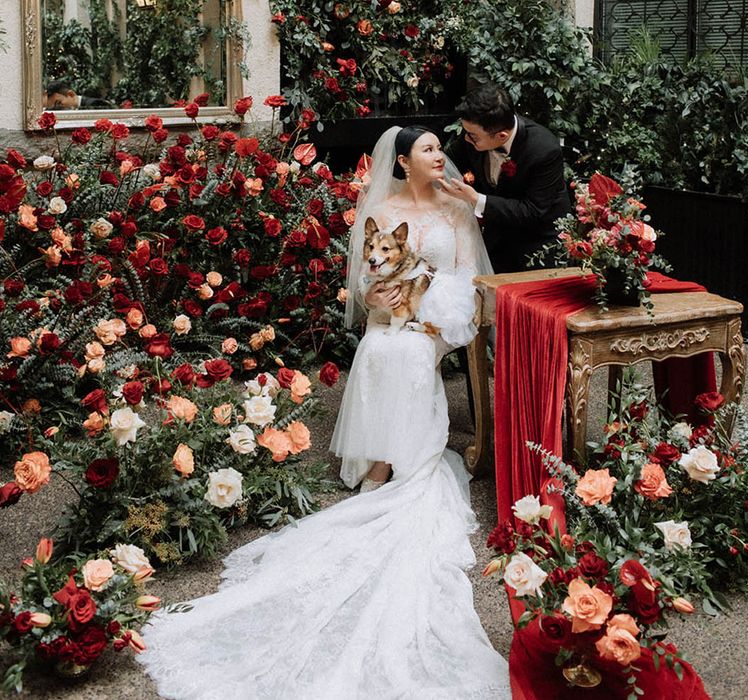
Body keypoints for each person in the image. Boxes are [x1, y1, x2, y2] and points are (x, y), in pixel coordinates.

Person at [137, 126, 511, 699]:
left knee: (408, 354)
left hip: (436, 317)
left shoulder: (458, 209)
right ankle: (377, 457)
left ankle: (400, 458)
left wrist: (427, 312)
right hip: (391, 315)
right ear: (404, 162)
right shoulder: (382, 208)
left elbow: (467, 277)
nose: (442, 158)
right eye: (430, 151)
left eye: (442, 149)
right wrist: (376, 298)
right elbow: (364, 277)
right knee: (377, 346)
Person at [441, 83, 571, 273]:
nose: (466, 139)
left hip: (539, 248)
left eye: (472, 136)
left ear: (501, 136)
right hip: (496, 242)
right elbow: (448, 160)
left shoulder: (544, 150)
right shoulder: (475, 134)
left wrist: (475, 199)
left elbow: (532, 211)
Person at [45, 80, 114, 110]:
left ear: (71, 94)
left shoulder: (96, 104)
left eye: (59, 103)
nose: (59, 108)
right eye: (54, 107)